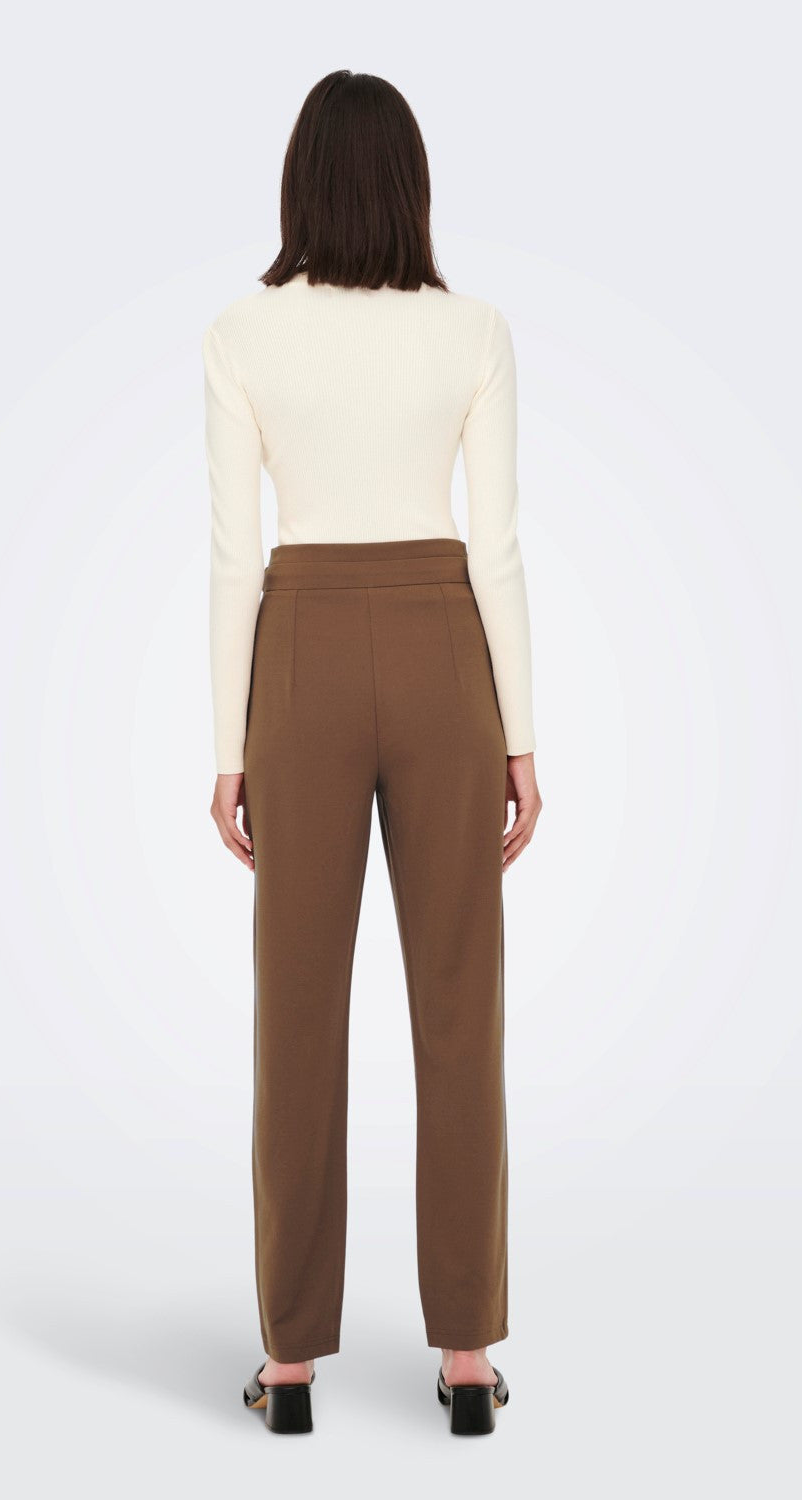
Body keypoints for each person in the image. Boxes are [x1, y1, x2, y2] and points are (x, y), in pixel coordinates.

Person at [203, 69, 542, 1436]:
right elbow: (497, 546)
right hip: (445, 647)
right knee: (460, 1007)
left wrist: (227, 744)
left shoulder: (241, 332)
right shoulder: (472, 330)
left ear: (300, 183)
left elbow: (232, 554)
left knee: (295, 1010)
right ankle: (465, 1358)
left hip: (297, 658)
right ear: (410, 186)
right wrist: (522, 736)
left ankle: (288, 1366)